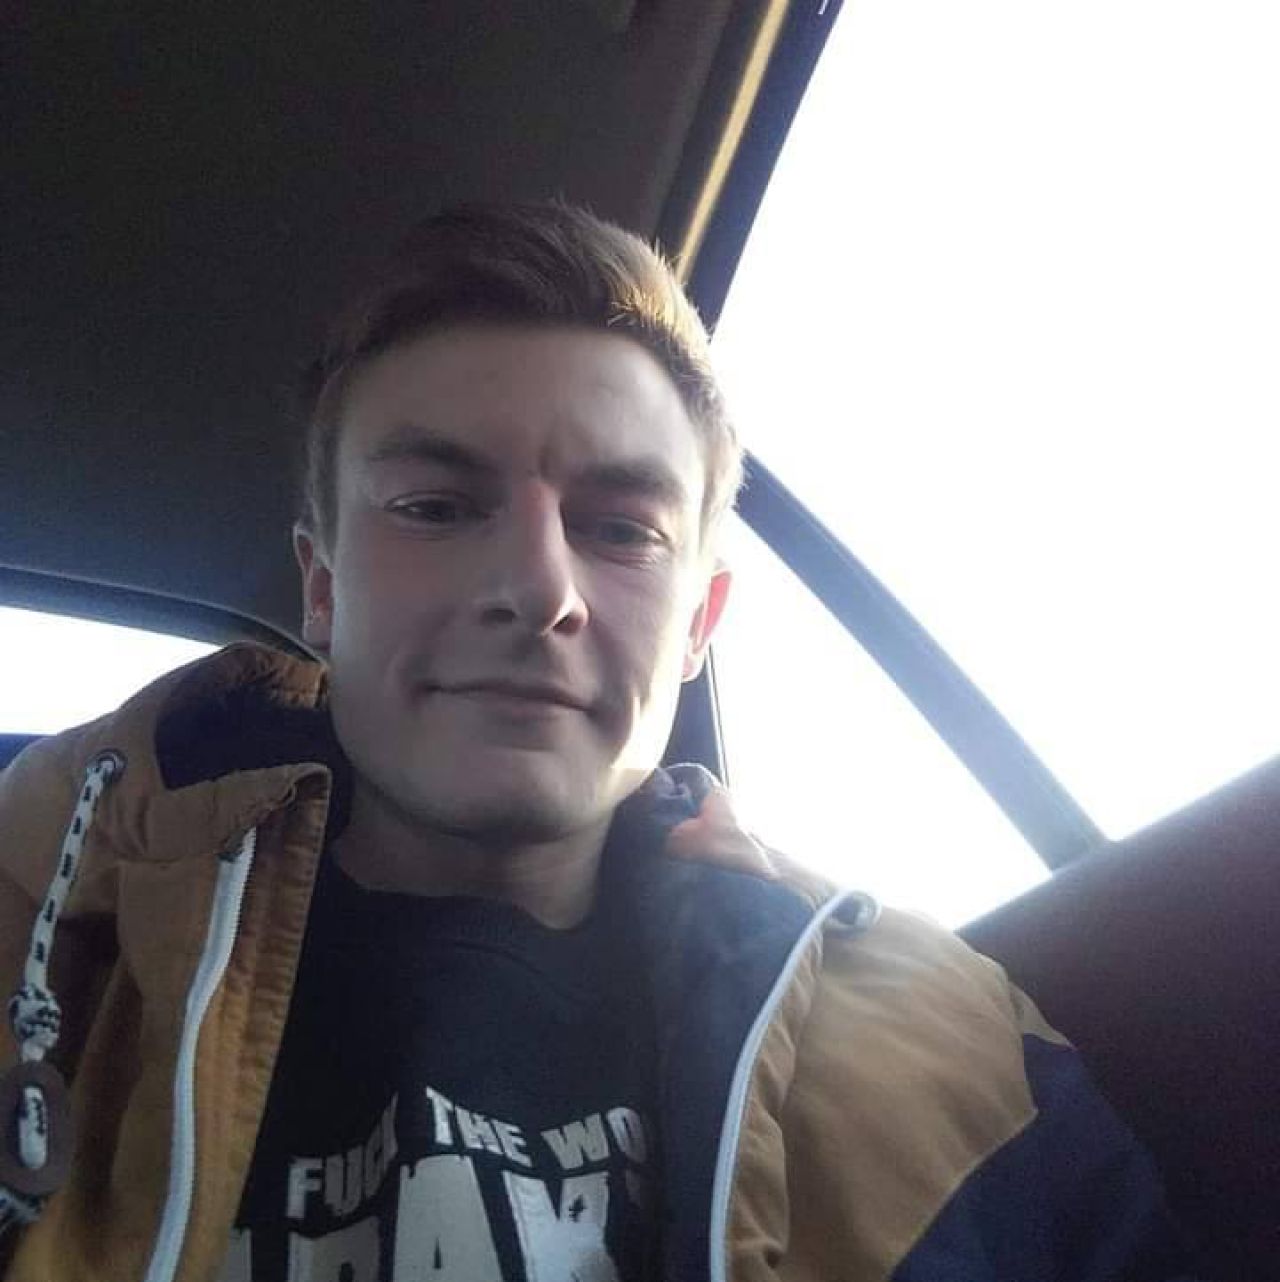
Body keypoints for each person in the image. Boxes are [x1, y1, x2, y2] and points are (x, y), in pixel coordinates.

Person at [0, 202, 1200, 1282]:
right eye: (434, 507)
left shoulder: (955, 1050)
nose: (538, 589)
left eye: (622, 529)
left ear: (699, 624)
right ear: (321, 588)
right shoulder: (43, 916)